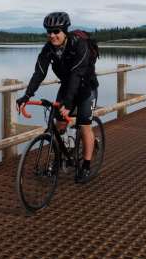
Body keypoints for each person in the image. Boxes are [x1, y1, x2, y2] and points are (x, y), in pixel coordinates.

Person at [16, 12, 99, 183]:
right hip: (67, 87)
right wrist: (27, 95)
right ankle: (60, 157)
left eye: (56, 31)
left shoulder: (79, 45)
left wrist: (68, 103)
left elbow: (77, 75)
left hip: (86, 88)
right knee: (59, 124)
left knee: (84, 126)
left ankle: (86, 166)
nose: (52, 35)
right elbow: (39, 72)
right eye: (49, 32)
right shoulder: (48, 49)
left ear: (65, 31)